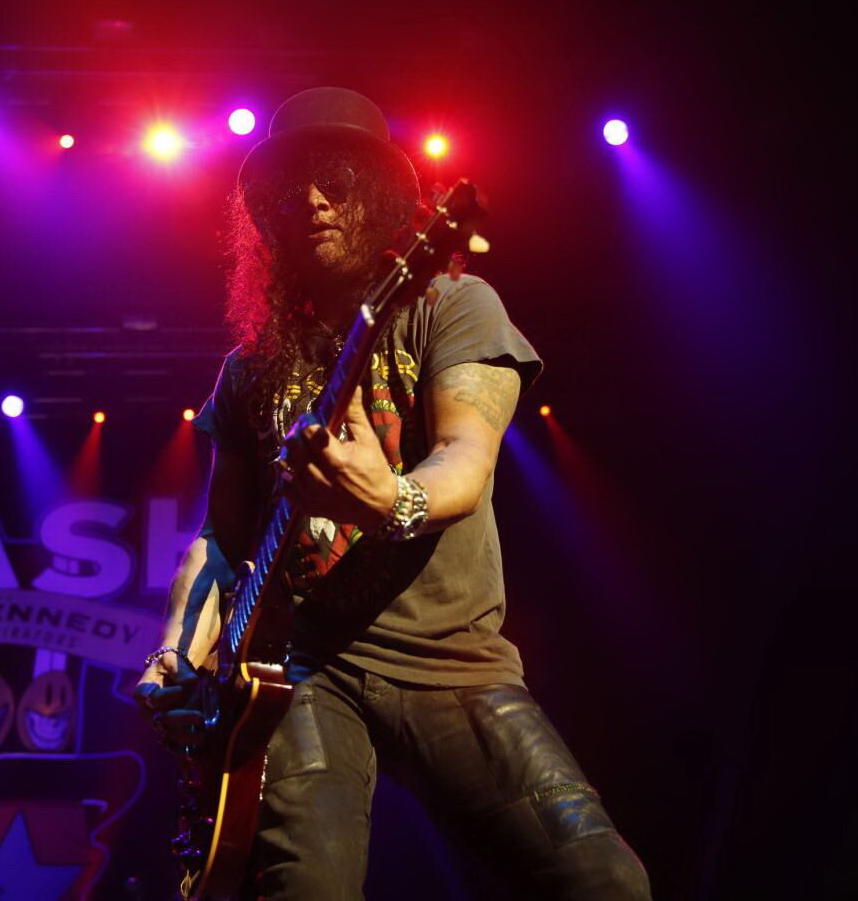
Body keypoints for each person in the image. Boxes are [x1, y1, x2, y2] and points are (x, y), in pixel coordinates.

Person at [136, 87, 650, 900]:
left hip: (452, 658)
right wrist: (175, 653)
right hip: (300, 669)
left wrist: (393, 501)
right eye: (291, 189)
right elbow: (220, 542)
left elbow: (464, 458)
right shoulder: (249, 369)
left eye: (336, 182)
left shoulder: (454, 305)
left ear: (378, 199)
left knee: (602, 879)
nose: (312, 201)